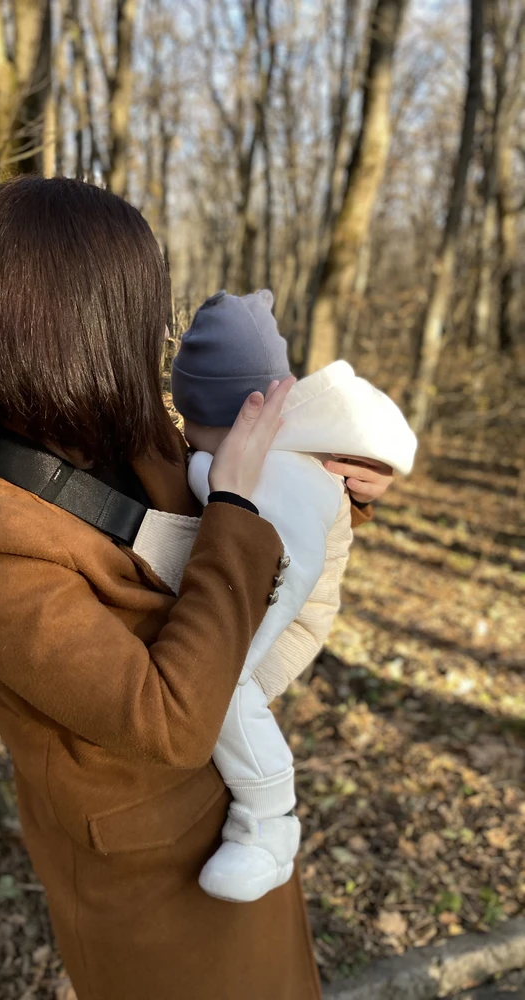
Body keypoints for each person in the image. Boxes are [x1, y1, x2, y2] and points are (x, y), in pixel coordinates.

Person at [0, 177, 391, 1000]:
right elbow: (165, 720)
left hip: (235, 819)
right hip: (150, 878)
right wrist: (242, 506)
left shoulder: (131, 436)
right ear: (83, 325)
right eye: (144, 313)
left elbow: (235, 509)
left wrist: (324, 484)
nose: (157, 336)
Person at [132, 290, 415, 904]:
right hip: (279, 597)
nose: (192, 442)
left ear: (238, 416)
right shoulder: (293, 445)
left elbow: (244, 504)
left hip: (282, 608)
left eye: (196, 428)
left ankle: (270, 823)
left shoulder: (246, 463)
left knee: (226, 693)